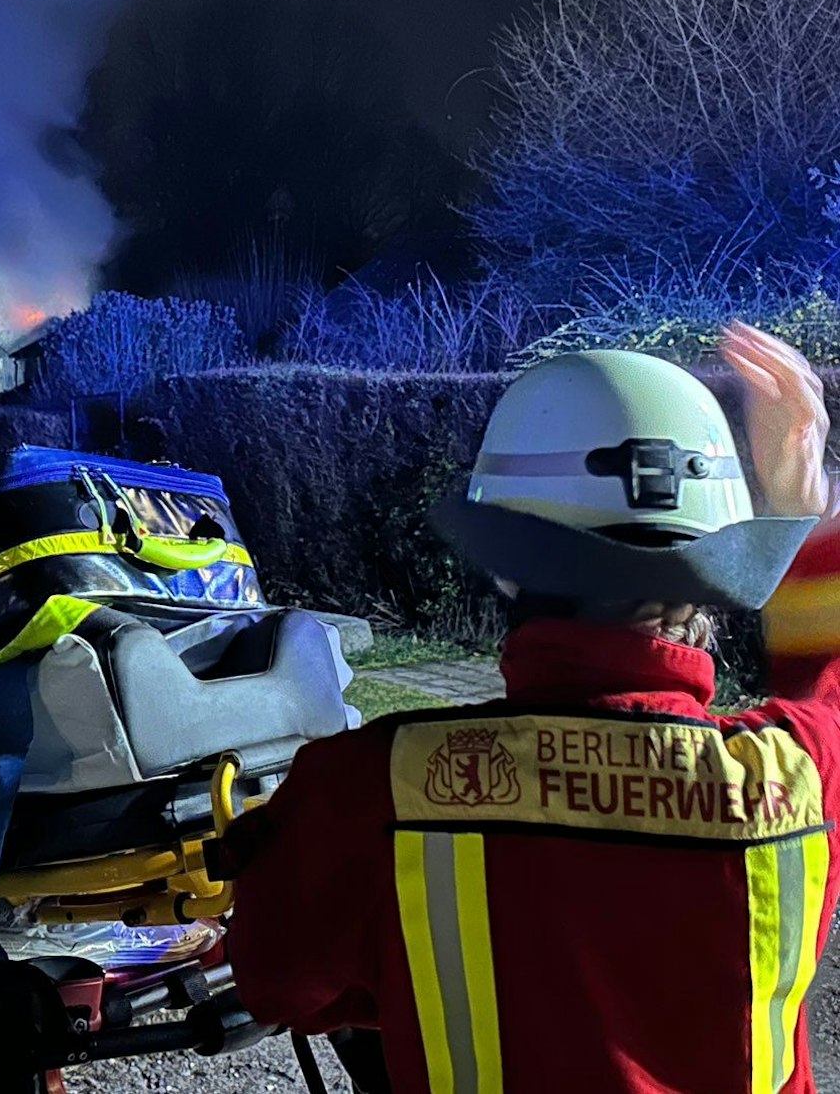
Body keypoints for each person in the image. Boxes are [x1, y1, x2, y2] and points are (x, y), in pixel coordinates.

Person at [222, 326, 840, 1094]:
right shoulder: (801, 770)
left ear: (506, 566)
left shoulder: (373, 787)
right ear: (718, 567)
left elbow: (274, 980)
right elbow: (827, 685)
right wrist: (812, 520)